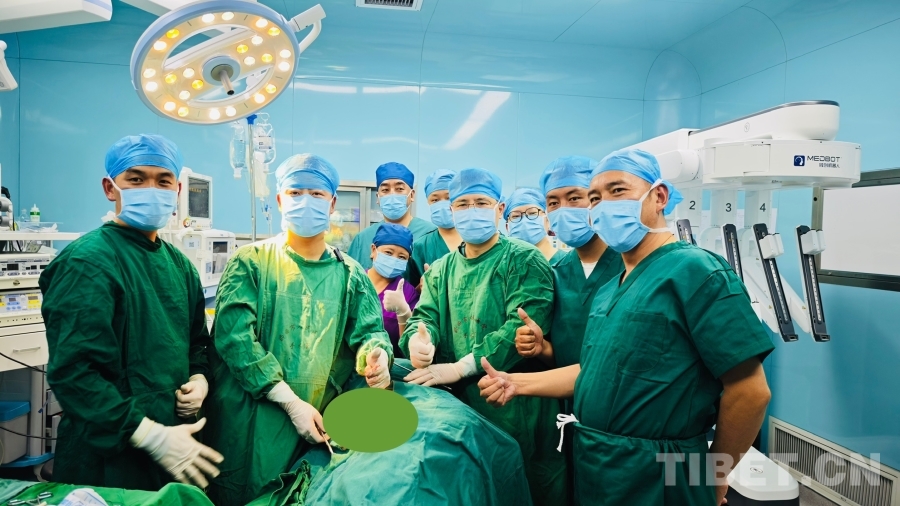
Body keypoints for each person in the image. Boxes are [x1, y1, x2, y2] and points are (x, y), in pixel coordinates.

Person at [479, 148, 774, 506]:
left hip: (662, 472)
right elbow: (593, 373)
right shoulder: (609, 290)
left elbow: (750, 391)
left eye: (617, 191)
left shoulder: (697, 271)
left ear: (659, 196)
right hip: (598, 464)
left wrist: (713, 475)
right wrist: (516, 383)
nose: (603, 205)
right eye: (595, 198)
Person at [204, 154, 395, 506]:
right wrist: (289, 401)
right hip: (250, 424)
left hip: (318, 425)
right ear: (280, 200)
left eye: (317, 194)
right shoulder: (251, 262)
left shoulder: (351, 274)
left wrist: (378, 357)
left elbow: (370, 333)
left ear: (332, 204)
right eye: (295, 192)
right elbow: (235, 339)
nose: (306, 201)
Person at [40, 134, 222, 491]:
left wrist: (199, 378)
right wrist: (147, 434)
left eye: (163, 181)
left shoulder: (180, 266)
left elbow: (197, 343)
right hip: (107, 454)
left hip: (176, 442)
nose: (151, 189)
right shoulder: (87, 262)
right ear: (111, 188)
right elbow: (75, 373)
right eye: (136, 179)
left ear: (177, 191)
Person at [399, 167, 565, 506]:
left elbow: (520, 328)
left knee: (521, 489)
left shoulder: (524, 260)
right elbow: (425, 317)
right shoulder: (442, 269)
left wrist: (462, 366)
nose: (471, 210)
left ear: (499, 209)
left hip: (517, 409)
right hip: (459, 411)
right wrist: (419, 342)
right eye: (462, 204)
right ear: (451, 210)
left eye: (481, 202)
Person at [347, 162, 436, 271]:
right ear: (378, 197)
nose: (392, 194)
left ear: (412, 195)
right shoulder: (363, 239)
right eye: (385, 190)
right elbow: (350, 277)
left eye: (399, 189)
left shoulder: (430, 235)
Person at [367, 222, 420, 358]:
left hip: (389, 364)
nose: (394, 259)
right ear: (373, 250)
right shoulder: (355, 281)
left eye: (402, 257)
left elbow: (409, 348)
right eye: (388, 253)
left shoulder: (408, 294)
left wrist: (403, 313)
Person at [408, 169, 460, 289]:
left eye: (449, 198)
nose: (443, 204)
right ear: (428, 202)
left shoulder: (477, 241)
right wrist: (422, 288)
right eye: (435, 200)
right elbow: (408, 292)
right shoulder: (421, 247)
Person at [502, 187, 562, 263]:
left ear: (547, 221)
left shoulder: (567, 263)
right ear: (507, 227)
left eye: (532, 213)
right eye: (516, 216)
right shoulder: (504, 266)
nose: (524, 222)